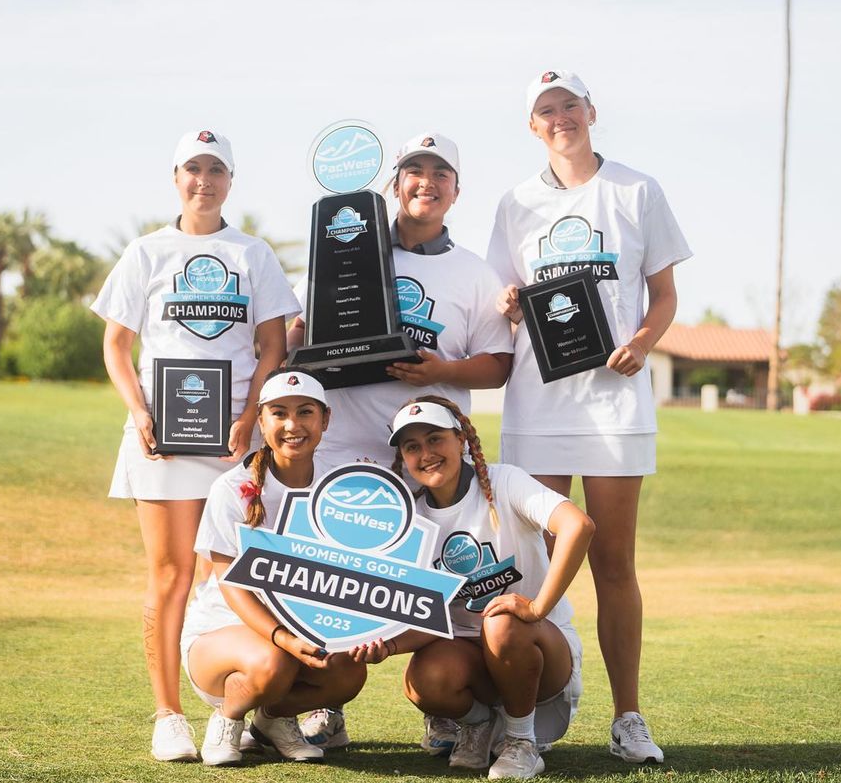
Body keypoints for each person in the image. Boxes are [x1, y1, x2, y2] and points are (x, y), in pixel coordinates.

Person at [486, 70, 692, 764]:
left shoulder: (636, 189)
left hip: (614, 406)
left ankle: (628, 717)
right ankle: (517, 717)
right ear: (532, 127)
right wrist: (511, 305)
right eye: (545, 110)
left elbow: (663, 294)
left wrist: (641, 341)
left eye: (568, 105)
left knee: (611, 561)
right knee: (529, 561)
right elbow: (501, 296)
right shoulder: (515, 203)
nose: (559, 117)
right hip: (538, 403)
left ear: (591, 111)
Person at [287, 132, 514, 751]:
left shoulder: (473, 270)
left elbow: (497, 364)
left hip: (426, 458)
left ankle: (442, 707)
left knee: (428, 582)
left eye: (441, 174)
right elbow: (299, 342)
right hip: (341, 446)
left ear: (456, 191)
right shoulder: (342, 253)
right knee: (331, 578)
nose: (427, 182)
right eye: (415, 171)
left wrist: (442, 371)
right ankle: (326, 703)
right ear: (394, 184)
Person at [91, 129, 300, 761]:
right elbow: (116, 346)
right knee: (171, 575)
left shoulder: (251, 253)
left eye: (216, 169)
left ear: (231, 181)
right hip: (161, 441)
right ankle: (168, 715)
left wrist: (248, 416)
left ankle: (257, 710)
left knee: (243, 575)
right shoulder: (146, 252)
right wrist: (141, 413)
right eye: (192, 168)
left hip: (235, 443)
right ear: (175, 177)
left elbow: (272, 348)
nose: (203, 180)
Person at [352, 396, 594, 780]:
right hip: (472, 660)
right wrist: (388, 645)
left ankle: (521, 742)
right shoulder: (406, 516)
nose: (426, 454)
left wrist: (537, 608)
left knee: (502, 620)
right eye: (412, 447)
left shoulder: (505, 480)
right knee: (423, 682)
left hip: (540, 658)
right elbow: (425, 613)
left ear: (461, 439)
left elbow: (578, 526)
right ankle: (479, 725)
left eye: (435, 439)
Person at [180, 368, 369, 766]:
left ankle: (273, 718)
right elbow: (230, 585)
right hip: (224, 639)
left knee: (349, 672)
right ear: (261, 420)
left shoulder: (341, 487)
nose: (293, 425)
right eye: (279, 413)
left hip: (297, 637)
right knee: (274, 661)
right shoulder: (231, 487)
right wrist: (282, 637)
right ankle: (228, 717)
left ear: (325, 419)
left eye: (305, 412)